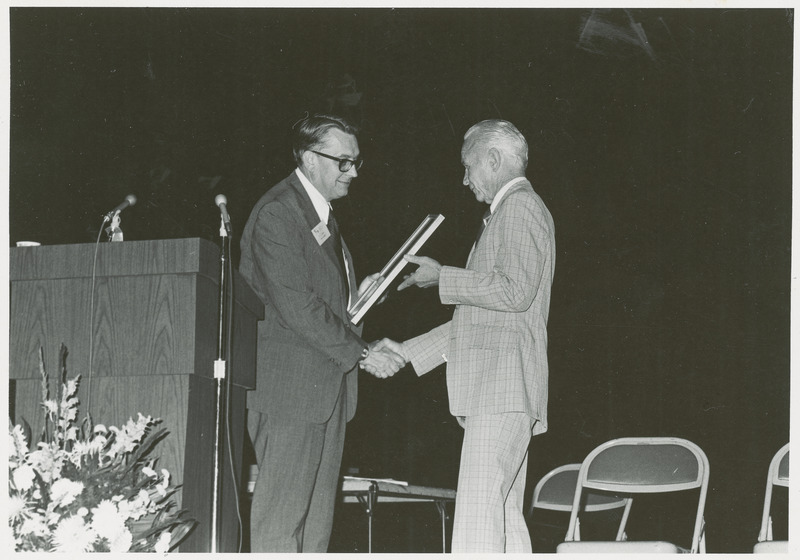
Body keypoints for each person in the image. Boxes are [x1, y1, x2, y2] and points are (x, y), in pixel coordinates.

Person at [381, 119, 556, 553]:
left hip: (501, 391)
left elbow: (514, 292)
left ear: (493, 159)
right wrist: (405, 351)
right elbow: (480, 321)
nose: (464, 179)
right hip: (504, 392)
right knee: (502, 521)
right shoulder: (507, 214)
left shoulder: (519, 208)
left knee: (476, 521)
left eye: (467, 166)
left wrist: (443, 278)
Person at [238, 113, 404, 552]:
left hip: (323, 389)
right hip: (291, 392)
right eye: (342, 162)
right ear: (310, 159)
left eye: (356, 162)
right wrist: (363, 352)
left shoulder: (321, 216)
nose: (352, 172)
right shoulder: (279, 212)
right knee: (281, 526)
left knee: (314, 531)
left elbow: (323, 302)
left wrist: (363, 297)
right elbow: (298, 307)